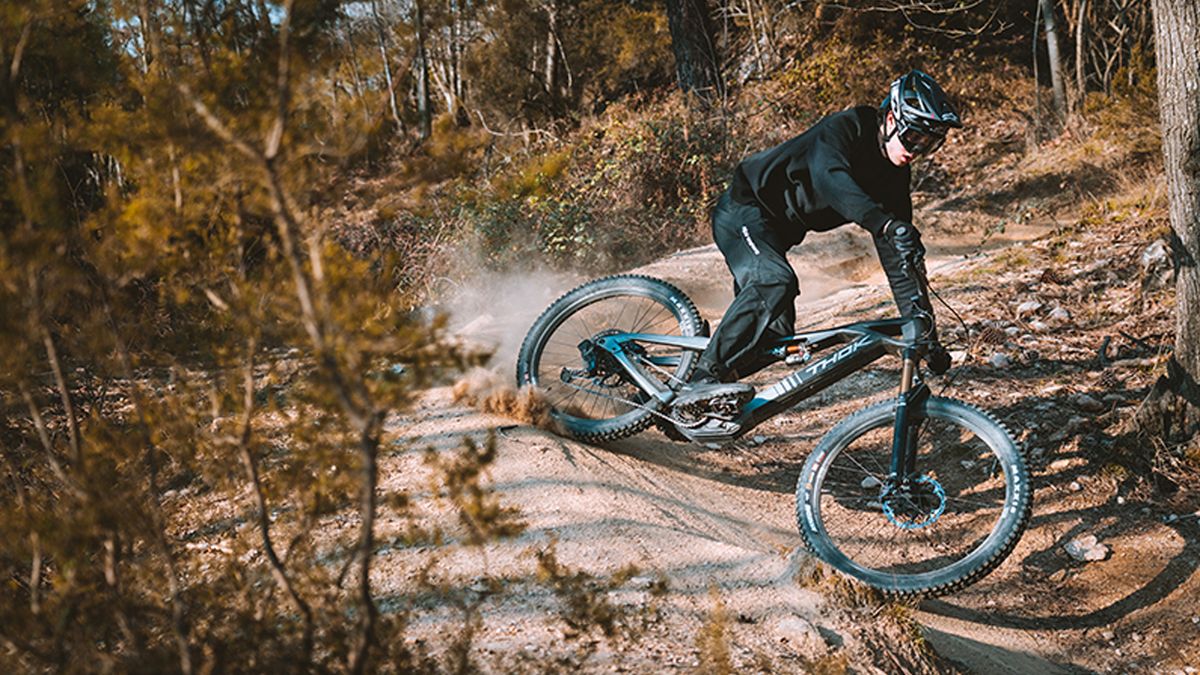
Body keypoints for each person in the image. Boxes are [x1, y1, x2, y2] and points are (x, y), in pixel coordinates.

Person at [673, 69, 961, 432]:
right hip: (744, 211)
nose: (916, 150)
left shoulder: (894, 178)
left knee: (771, 339)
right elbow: (830, 179)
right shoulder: (846, 129)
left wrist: (925, 332)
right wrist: (883, 222)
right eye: (914, 136)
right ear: (891, 119)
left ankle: (678, 397)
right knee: (775, 283)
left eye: (928, 144)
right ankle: (702, 378)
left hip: (776, 236)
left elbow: (899, 258)